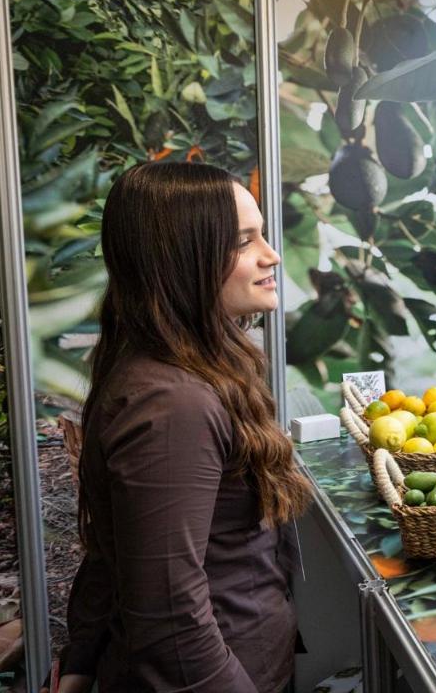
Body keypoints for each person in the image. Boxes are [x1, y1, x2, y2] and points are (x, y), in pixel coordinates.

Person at [60, 162, 312, 692]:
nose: (271, 255)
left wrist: (79, 660)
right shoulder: (173, 404)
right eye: (244, 241)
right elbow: (170, 623)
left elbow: (117, 551)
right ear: (182, 259)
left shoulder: (188, 366)